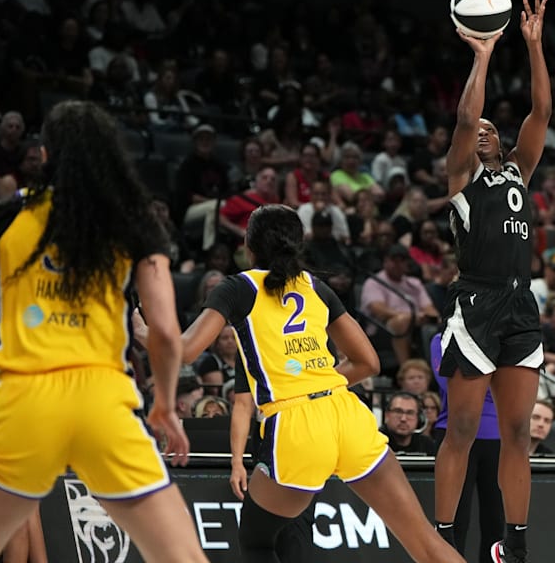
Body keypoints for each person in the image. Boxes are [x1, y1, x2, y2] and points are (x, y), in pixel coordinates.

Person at [143, 204, 462, 563]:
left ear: (248, 247)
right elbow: (369, 362)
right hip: (346, 413)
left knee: (256, 539)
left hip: (296, 424)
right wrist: (319, 383)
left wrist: (142, 330)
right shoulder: (315, 286)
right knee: (424, 544)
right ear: (298, 244)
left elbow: (183, 352)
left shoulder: (238, 287)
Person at [0, 101, 209, 562]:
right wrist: (165, 406)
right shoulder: (133, 224)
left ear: (45, 153)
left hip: (26, 405)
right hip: (105, 405)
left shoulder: (1, 215)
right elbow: (165, 331)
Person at [435, 0, 551, 563]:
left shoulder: (520, 172)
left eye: (490, 128)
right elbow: (462, 117)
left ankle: (517, 542)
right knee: (459, 430)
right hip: (476, 303)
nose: (482, 129)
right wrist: (482, 56)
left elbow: (542, 115)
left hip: (520, 306)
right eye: (475, 128)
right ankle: (444, 536)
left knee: (518, 434)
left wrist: (532, 47)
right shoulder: (461, 178)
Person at [430, 332, 504, 563]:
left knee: (497, 521)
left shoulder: (504, 341)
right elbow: (449, 383)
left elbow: (511, 390)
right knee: (454, 519)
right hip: (456, 435)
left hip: (498, 439)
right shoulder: (441, 339)